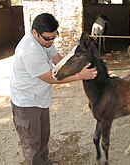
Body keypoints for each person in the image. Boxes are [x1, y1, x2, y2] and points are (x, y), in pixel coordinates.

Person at [10, 13, 97, 165]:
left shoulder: (46, 41)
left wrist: (75, 65)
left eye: (54, 37)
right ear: (35, 32)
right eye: (48, 38)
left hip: (41, 98)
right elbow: (51, 77)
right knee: (31, 143)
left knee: (43, 136)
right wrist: (79, 75)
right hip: (27, 102)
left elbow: (58, 60)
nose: (51, 41)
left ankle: (44, 162)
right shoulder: (30, 50)